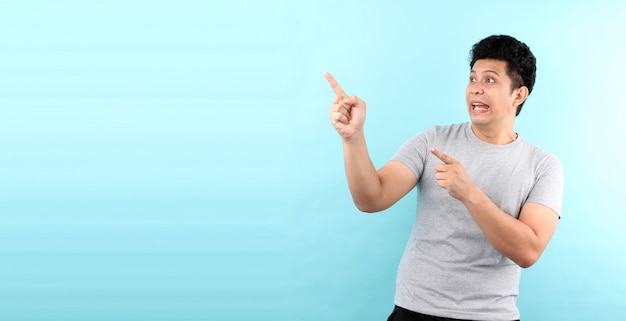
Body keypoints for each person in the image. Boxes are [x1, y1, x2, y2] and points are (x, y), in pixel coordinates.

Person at [325, 35, 564, 321]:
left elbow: (528, 251)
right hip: (414, 311)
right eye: (472, 79)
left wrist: (470, 194)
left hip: (490, 316)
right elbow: (371, 198)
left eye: (489, 81)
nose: (476, 89)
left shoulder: (544, 166)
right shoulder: (433, 140)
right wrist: (353, 138)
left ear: (518, 95)